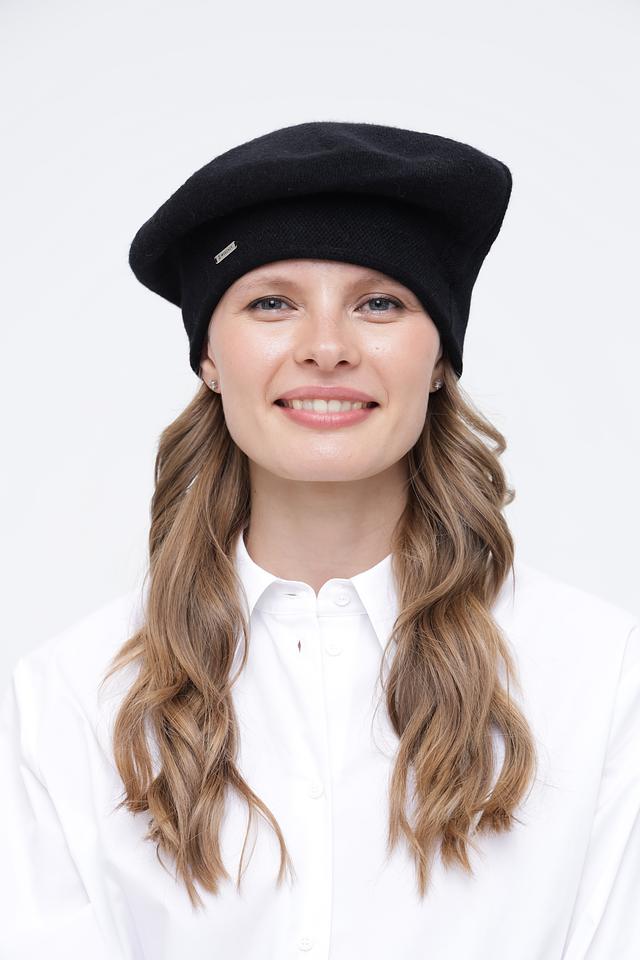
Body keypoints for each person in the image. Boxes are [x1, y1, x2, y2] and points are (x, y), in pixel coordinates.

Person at [1, 121, 638, 960]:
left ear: (439, 357)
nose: (327, 349)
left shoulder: (599, 678)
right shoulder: (73, 699)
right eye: (272, 302)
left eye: (380, 303)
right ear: (209, 357)